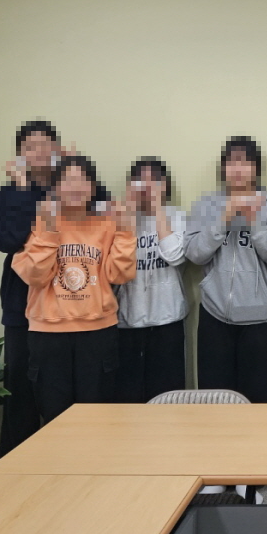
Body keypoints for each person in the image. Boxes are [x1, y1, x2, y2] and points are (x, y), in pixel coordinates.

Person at [0, 120, 106, 452]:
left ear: (57, 149)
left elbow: (100, 222)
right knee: (20, 388)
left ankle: (75, 457)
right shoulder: (8, 194)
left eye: (45, 144)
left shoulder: (77, 186)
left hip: (71, 305)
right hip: (22, 303)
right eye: (30, 146)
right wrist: (23, 189)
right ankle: (17, 464)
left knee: (69, 389)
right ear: (19, 154)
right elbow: (8, 239)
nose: (38, 152)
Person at [12, 155, 136, 423]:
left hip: (97, 332)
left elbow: (120, 274)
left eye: (83, 180)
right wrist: (49, 232)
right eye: (67, 180)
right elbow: (35, 276)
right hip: (48, 334)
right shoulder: (39, 224)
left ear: (93, 187)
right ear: (55, 188)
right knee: (54, 416)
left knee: (97, 415)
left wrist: (126, 232)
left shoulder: (107, 225)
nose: (76, 187)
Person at [186, 137, 267, 404]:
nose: (238, 169)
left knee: (259, 400)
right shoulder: (206, 204)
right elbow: (194, 254)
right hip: (215, 314)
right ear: (223, 168)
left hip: (263, 318)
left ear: (256, 168)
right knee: (215, 399)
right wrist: (223, 220)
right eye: (232, 162)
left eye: (245, 162)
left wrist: (253, 221)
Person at [114, 157, 188, 403]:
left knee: (168, 397)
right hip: (127, 321)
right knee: (128, 398)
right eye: (140, 180)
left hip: (168, 319)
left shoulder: (178, 217)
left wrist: (157, 209)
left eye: (154, 180)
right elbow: (115, 265)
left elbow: (175, 256)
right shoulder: (119, 217)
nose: (147, 186)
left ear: (165, 185)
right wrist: (129, 212)